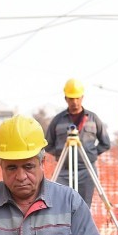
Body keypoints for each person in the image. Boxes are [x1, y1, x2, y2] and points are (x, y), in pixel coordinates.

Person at [44, 78, 111, 207]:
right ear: (66, 99)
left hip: (87, 170)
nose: (74, 102)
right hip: (64, 170)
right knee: (61, 205)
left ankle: (82, 228)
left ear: (82, 97)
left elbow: (105, 143)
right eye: (71, 98)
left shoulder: (93, 118)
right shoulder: (58, 120)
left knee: (84, 207)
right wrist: (60, 153)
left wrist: (91, 154)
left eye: (77, 98)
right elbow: (47, 144)